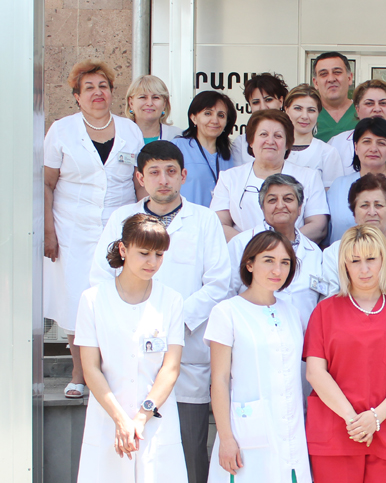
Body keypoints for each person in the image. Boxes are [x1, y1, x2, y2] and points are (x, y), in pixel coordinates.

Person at [90, 141, 232, 483]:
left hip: (187, 354)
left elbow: (218, 283)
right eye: (154, 172)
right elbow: (100, 278)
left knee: (189, 452)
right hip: (128, 354)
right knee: (131, 453)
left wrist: (171, 322)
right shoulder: (121, 219)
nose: (163, 179)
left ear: (184, 175)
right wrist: (137, 322)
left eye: (171, 171)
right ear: (140, 178)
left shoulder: (204, 220)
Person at [44, 59, 147, 399]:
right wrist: (48, 232)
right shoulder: (61, 130)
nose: (97, 92)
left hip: (120, 229)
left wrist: (144, 227)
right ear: (76, 96)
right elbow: (47, 184)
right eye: (88, 87)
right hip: (72, 230)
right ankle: (80, 372)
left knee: (119, 297)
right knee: (77, 301)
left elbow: (139, 183)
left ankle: (116, 372)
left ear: (112, 92)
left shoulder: (130, 130)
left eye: (103, 86)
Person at [304, 225, 386, 483]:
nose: (364, 269)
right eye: (355, 261)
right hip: (336, 433)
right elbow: (315, 373)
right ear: (344, 265)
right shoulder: (325, 312)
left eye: (371, 259)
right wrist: (354, 420)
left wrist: (375, 418)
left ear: (384, 260)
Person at [75, 214, 188, 483]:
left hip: (156, 421)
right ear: (123, 250)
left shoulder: (171, 300)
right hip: (107, 419)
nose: (153, 262)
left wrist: (141, 417)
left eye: (159, 254)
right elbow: (91, 369)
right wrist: (121, 420)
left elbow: (170, 368)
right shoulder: (92, 300)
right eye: (144, 253)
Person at [205, 231, 313, 483]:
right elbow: (219, 380)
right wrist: (226, 438)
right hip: (245, 432)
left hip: (291, 428)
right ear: (249, 264)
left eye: (285, 262)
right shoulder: (227, 312)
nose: (277, 270)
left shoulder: (292, 312)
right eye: (268, 260)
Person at [211, 109, 329, 243]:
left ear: (287, 144)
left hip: (293, 252)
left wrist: (280, 247)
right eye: (263, 134)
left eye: (278, 136)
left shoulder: (309, 177)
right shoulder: (229, 178)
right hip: (243, 252)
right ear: (251, 141)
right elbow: (219, 224)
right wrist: (253, 247)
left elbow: (318, 226)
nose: (270, 141)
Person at [228, 174, 324, 326]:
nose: (280, 205)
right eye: (272, 200)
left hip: (304, 337)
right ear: (262, 207)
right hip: (254, 334)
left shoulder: (314, 252)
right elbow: (226, 293)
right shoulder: (241, 244)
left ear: (300, 208)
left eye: (288, 199)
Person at [321, 173, 386, 297]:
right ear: (354, 215)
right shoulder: (334, 253)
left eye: (379, 205)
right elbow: (330, 300)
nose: (372, 212)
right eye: (364, 205)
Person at [170, 91, 237, 207]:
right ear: (194, 118)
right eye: (208, 113)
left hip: (221, 218)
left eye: (221, 115)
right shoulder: (178, 147)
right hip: (186, 216)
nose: (215, 120)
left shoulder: (231, 154)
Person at [282, 84, 345, 190]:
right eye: (298, 108)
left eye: (311, 110)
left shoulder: (327, 153)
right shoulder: (274, 147)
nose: (304, 116)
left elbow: (333, 193)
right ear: (286, 109)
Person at [231, 73, 291, 166]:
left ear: (281, 101)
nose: (263, 107)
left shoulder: (297, 138)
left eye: (268, 100)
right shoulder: (240, 143)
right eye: (256, 102)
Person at [311, 52, 358, 144]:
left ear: (349, 78)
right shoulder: (307, 115)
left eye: (337, 72)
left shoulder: (363, 114)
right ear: (315, 83)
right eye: (324, 74)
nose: (331, 79)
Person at [125, 74, 182, 143]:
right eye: (143, 97)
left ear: (164, 103)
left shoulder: (178, 137)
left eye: (155, 97)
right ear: (131, 102)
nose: (149, 103)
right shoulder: (118, 135)